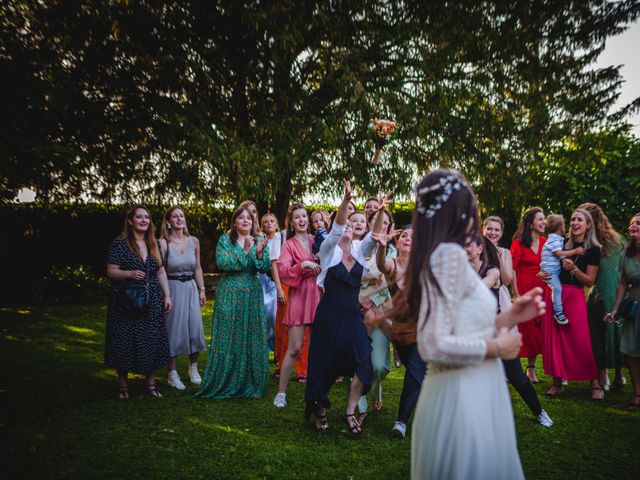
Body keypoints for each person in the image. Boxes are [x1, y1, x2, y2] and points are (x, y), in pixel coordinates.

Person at [401, 169, 544, 480]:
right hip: (461, 394)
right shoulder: (447, 257)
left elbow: (465, 324)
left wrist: (511, 316)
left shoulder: (444, 255)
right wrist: (495, 347)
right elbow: (432, 344)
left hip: (476, 386)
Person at [304, 180, 387, 433]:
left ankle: (350, 410)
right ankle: (319, 410)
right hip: (328, 317)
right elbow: (339, 224)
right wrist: (346, 200)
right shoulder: (330, 249)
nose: (350, 227)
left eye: (354, 225)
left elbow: (375, 234)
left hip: (352, 316)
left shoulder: (361, 251)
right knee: (324, 365)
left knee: (364, 361)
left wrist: (381, 209)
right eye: (347, 225)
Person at [466, 234, 553, 427]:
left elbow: (483, 286)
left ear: (480, 249)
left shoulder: (492, 271)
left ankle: (539, 412)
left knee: (516, 377)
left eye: (468, 244)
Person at [194, 206, 270, 399]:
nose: (246, 220)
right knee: (228, 334)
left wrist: (260, 254)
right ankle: (225, 378)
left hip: (252, 294)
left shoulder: (259, 240)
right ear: (234, 222)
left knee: (250, 335)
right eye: (241, 218)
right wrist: (245, 251)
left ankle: (249, 380)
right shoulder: (225, 240)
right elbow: (223, 263)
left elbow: (264, 267)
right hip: (229, 292)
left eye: (249, 218)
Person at [105, 205, 172, 399]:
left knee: (151, 338)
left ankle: (151, 385)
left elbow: (160, 271)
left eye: (147, 218)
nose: (144, 220)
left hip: (151, 299)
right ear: (130, 221)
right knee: (123, 340)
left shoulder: (154, 244)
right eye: (139, 217)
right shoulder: (120, 243)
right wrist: (129, 273)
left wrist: (167, 295)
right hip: (126, 299)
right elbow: (111, 271)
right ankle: (123, 387)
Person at [542, 209, 602, 400]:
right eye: (573, 219)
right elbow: (548, 264)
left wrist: (574, 269)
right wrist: (543, 275)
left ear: (588, 225)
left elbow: (590, 281)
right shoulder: (562, 243)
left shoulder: (593, 249)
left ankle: (595, 382)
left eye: (580, 220)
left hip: (575, 295)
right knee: (556, 339)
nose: (575, 222)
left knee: (580, 339)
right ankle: (557, 382)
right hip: (557, 295)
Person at [372, 224, 422, 439]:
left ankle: (401, 422)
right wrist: (382, 247)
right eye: (403, 236)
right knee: (419, 375)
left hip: (425, 330)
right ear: (397, 242)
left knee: (414, 374)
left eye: (413, 236)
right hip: (402, 332)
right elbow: (381, 264)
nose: (408, 238)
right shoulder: (393, 265)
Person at [273, 203, 321, 407]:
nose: (302, 220)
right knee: (294, 347)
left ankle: (318, 389)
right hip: (299, 295)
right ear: (291, 223)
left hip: (318, 294)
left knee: (319, 348)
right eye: (297, 217)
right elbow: (283, 271)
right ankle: (281, 393)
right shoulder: (289, 245)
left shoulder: (316, 240)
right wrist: (303, 265)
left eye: (304, 216)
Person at [580, 203, 626, 392]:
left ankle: (606, 376)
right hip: (610, 294)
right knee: (612, 334)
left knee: (601, 334)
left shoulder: (595, 244)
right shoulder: (617, 240)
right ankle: (617, 376)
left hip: (607, 293)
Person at [159, 206, 206, 390]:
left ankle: (193, 368)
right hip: (173, 287)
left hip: (191, 288)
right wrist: (165, 295)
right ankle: (172, 373)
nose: (179, 219)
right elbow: (160, 270)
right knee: (174, 330)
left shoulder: (194, 241)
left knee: (195, 327)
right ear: (168, 222)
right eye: (175, 216)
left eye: (182, 216)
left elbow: (198, 268)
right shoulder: (163, 243)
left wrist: (202, 289)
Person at [511, 207, 547, 383]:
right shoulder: (518, 242)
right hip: (524, 291)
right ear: (531, 222)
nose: (544, 222)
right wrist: (516, 294)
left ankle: (531, 368)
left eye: (544, 219)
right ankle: (520, 369)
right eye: (540, 219)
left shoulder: (547, 242)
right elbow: (513, 269)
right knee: (525, 330)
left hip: (543, 291)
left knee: (539, 330)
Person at [607, 213, 640, 408]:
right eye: (632, 223)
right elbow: (622, 283)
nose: (634, 225)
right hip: (635, 305)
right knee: (631, 349)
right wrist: (616, 309)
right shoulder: (625, 255)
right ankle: (637, 393)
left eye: (639, 223)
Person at [541, 214, 585, 325]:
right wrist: (575, 251)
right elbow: (559, 254)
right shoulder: (553, 240)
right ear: (561, 227)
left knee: (557, 289)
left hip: (554, 270)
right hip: (551, 272)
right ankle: (559, 313)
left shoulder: (558, 239)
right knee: (557, 289)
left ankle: (559, 312)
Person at [482, 216, 514, 313]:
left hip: (499, 296)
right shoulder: (475, 249)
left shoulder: (505, 252)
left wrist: (499, 258)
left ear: (501, 233)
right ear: (483, 229)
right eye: (489, 229)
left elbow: (507, 281)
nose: (492, 233)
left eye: (497, 230)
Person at [260, 213, 281, 351]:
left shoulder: (281, 238)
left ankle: (275, 344)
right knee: (265, 311)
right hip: (263, 278)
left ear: (277, 224)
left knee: (274, 313)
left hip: (277, 278)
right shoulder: (260, 240)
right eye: (266, 222)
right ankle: (265, 344)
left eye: (272, 221)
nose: (269, 223)